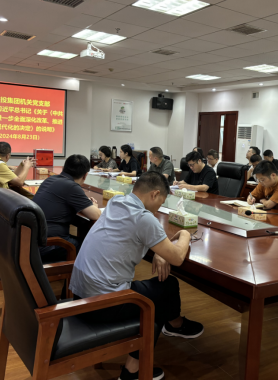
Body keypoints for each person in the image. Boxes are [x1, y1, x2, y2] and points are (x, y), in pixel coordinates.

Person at [70, 172, 204, 380]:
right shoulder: (144, 218)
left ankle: (174, 324)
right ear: (155, 194)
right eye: (161, 201)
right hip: (103, 303)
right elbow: (177, 257)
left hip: (80, 294)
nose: (159, 207)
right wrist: (186, 234)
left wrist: (159, 250)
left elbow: (135, 235)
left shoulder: (116, 202)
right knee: (164, 291)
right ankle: (133, 371)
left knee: (160, 288)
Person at [33, 155, 101, 263]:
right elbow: (96, 215)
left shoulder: (50, 179)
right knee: (93, 246)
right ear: (85, 175)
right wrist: (94, 205)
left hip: (33, 240)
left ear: (64, 168)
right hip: (50, 244)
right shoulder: (72, 187)